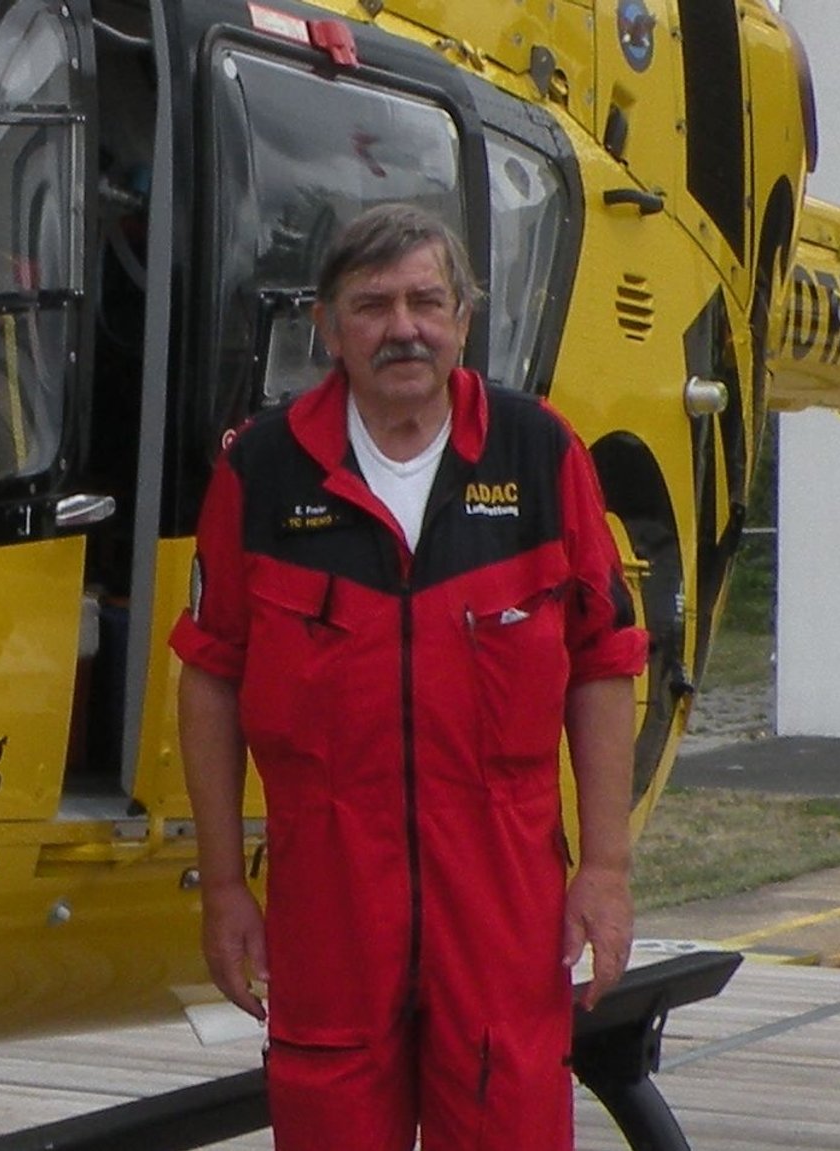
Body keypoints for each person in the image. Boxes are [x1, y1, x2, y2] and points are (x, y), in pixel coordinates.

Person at [170, 202, 647, 1151]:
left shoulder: (540, 455)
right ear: (326, 327)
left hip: (502, 900)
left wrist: (605, 866)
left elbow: (603, 662)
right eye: (373, 304)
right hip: (329, 902)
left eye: (428, 301)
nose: (404, 328)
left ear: (464, 320)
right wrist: (223, 884)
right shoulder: (262, 473)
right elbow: (211, 675)